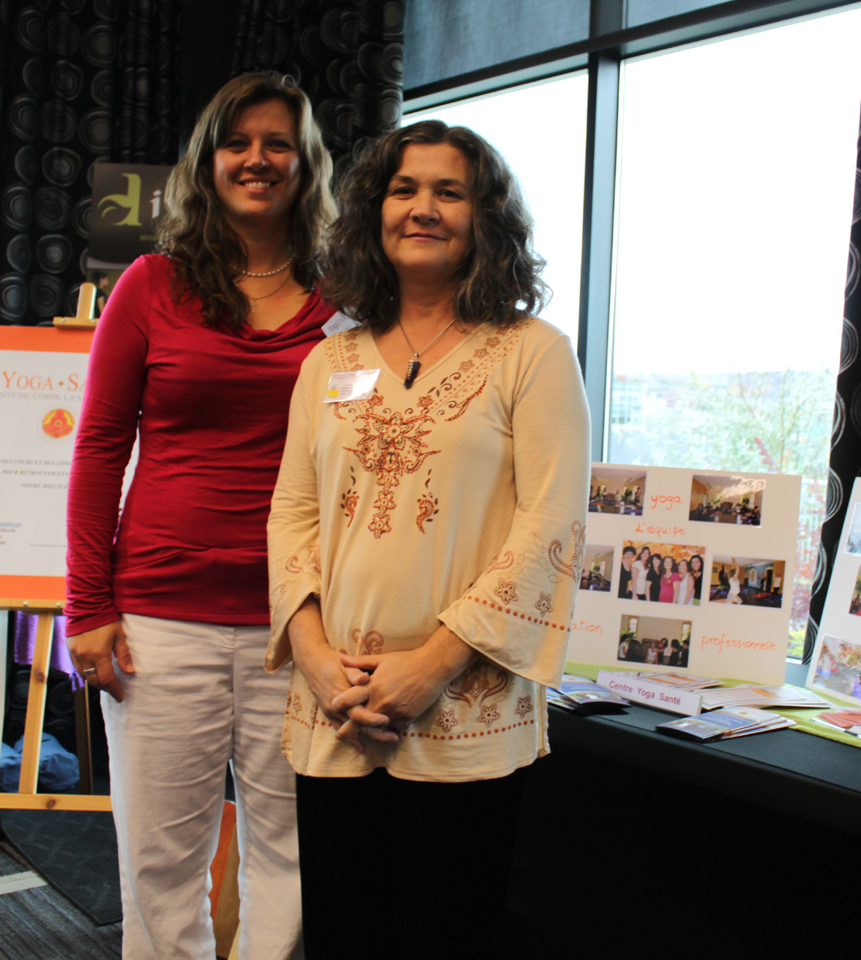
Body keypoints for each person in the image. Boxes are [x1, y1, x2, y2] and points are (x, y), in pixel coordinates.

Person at [264, 119, 589, 960]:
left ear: (486, 217)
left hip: (460, 710)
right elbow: (292, 512)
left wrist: (430, 668)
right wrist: (315, 658)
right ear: (374, 210)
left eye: (451, 191)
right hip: (335, 704)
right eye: (405, 189)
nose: (425, 208)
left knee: (443, 936)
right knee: (342, 934)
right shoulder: (327, 364)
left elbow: (551, 522)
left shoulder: (532, 354)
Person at [64, 72, 335, 960]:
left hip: (301, 625)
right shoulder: (150, 286)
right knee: (159, 856)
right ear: (208, 161)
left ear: (306, 163)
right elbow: (99, 449)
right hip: (158, 619)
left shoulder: (346, 302)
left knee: (289, 855)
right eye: (237, 141)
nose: (257, 158)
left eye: (278, 142)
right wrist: (87, 607)